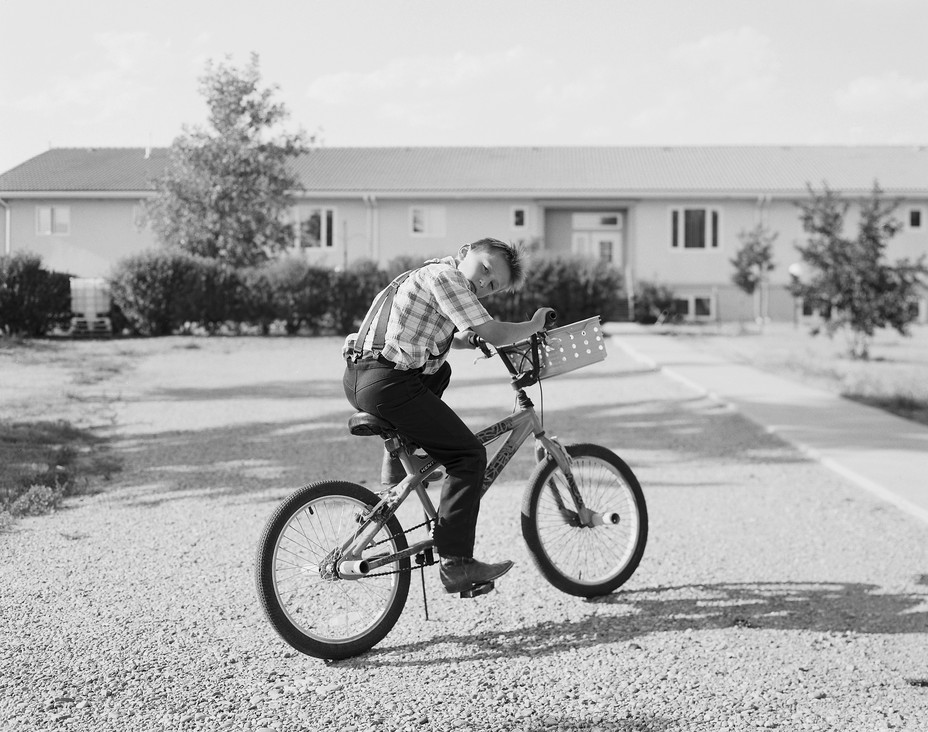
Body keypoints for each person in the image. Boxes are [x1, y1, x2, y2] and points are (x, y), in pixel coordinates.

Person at [342, 237, 553, 594]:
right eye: (485, 269)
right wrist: (533, 325)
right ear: (465, 252)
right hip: (388, 383)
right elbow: (493, 331)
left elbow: (442, 331)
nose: (483, 284)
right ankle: (456, 563)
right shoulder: (447, 277)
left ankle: (399, 462)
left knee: (440, 371)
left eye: (492, 286)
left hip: (361, 377)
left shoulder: (427, 274)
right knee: (468, 455)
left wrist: (466, 341)